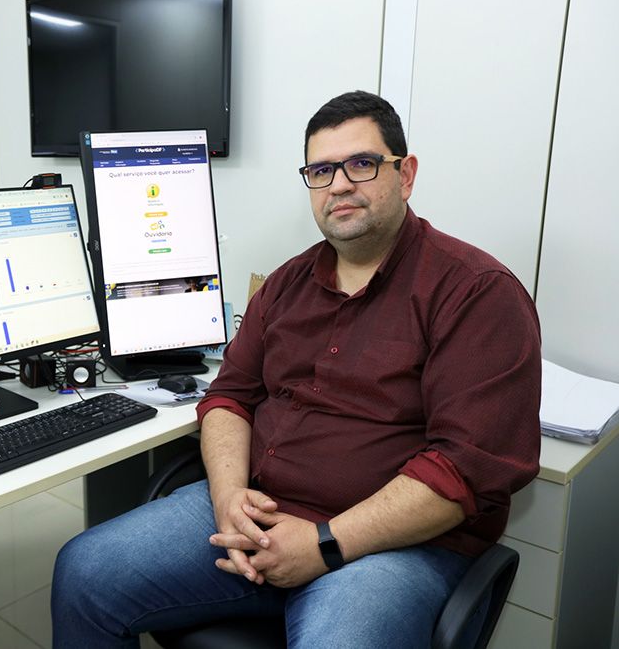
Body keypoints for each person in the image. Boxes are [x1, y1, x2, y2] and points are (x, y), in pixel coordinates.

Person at [50, 90, 541, 648]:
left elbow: (462, 471)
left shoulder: (475, 292)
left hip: (392, 547)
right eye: (321, 170)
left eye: (361, 163)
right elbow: (228, 398)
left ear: (405, 175)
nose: (339, 185)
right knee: (84, 572)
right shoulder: (286, 284)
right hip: (259, 512)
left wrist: (323, 543)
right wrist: (229, 499)